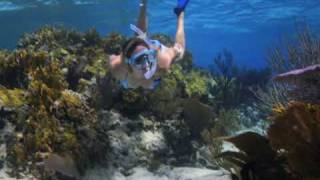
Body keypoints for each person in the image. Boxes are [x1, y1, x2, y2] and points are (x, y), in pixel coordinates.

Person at [108, 0, 190, 90]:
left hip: (152, 47)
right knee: (139, 36)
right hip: (133, 52)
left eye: (148, 57)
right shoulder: (118, 68)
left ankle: (180, 12)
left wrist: (176, 50)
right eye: (139, 61)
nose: (147, 66)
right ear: (129, 66)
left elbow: (178, 48)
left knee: (180, 53)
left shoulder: (162, 62)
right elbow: (111, 58)